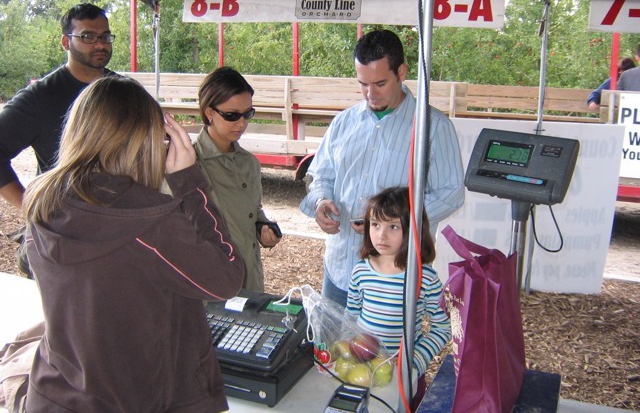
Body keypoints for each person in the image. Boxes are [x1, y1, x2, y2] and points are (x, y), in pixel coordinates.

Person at [22, 76, 245, 413]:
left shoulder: (42, 198)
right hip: (143, 399)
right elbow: (226, 278)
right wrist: (191, 183)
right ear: (146, 141)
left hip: (55, 393)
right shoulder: (149, 222)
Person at [299, 29, 465, 306]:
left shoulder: (432, 127)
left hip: (395, 277)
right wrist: (320, 201)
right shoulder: (344, 122)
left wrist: (387, 222)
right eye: (362, 84)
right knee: (336, 347)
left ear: (401, 72)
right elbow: (322, 175)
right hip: (341, 268)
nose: (370, 94)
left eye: (379, 83)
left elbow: (451, 193)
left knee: (386, 350)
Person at [0, 3, 116, 277]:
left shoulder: (123, 91)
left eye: (105, 36)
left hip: (117, 230)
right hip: (61, 238)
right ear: (66, 41)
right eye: (87, 36)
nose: (99, 44)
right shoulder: (39, 98)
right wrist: (30, 205)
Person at [346, 186, 451, 408]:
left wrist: (414, 362)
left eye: (393, 226)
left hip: (406, 376)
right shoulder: (360, 271)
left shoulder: (424, 278)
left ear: (414, 229)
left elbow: (442, 327)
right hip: (363, 368)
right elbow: (350, 318)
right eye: (375, 225)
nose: (381, 235)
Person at [194, 66, 281, 292]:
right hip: (210, 288)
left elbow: (253, 212)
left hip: (249, 282)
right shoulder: (188, 166)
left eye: (248, 114)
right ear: (209, 112)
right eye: (231, 115)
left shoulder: (249, 163)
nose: (242, 123)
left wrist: (263, 229)